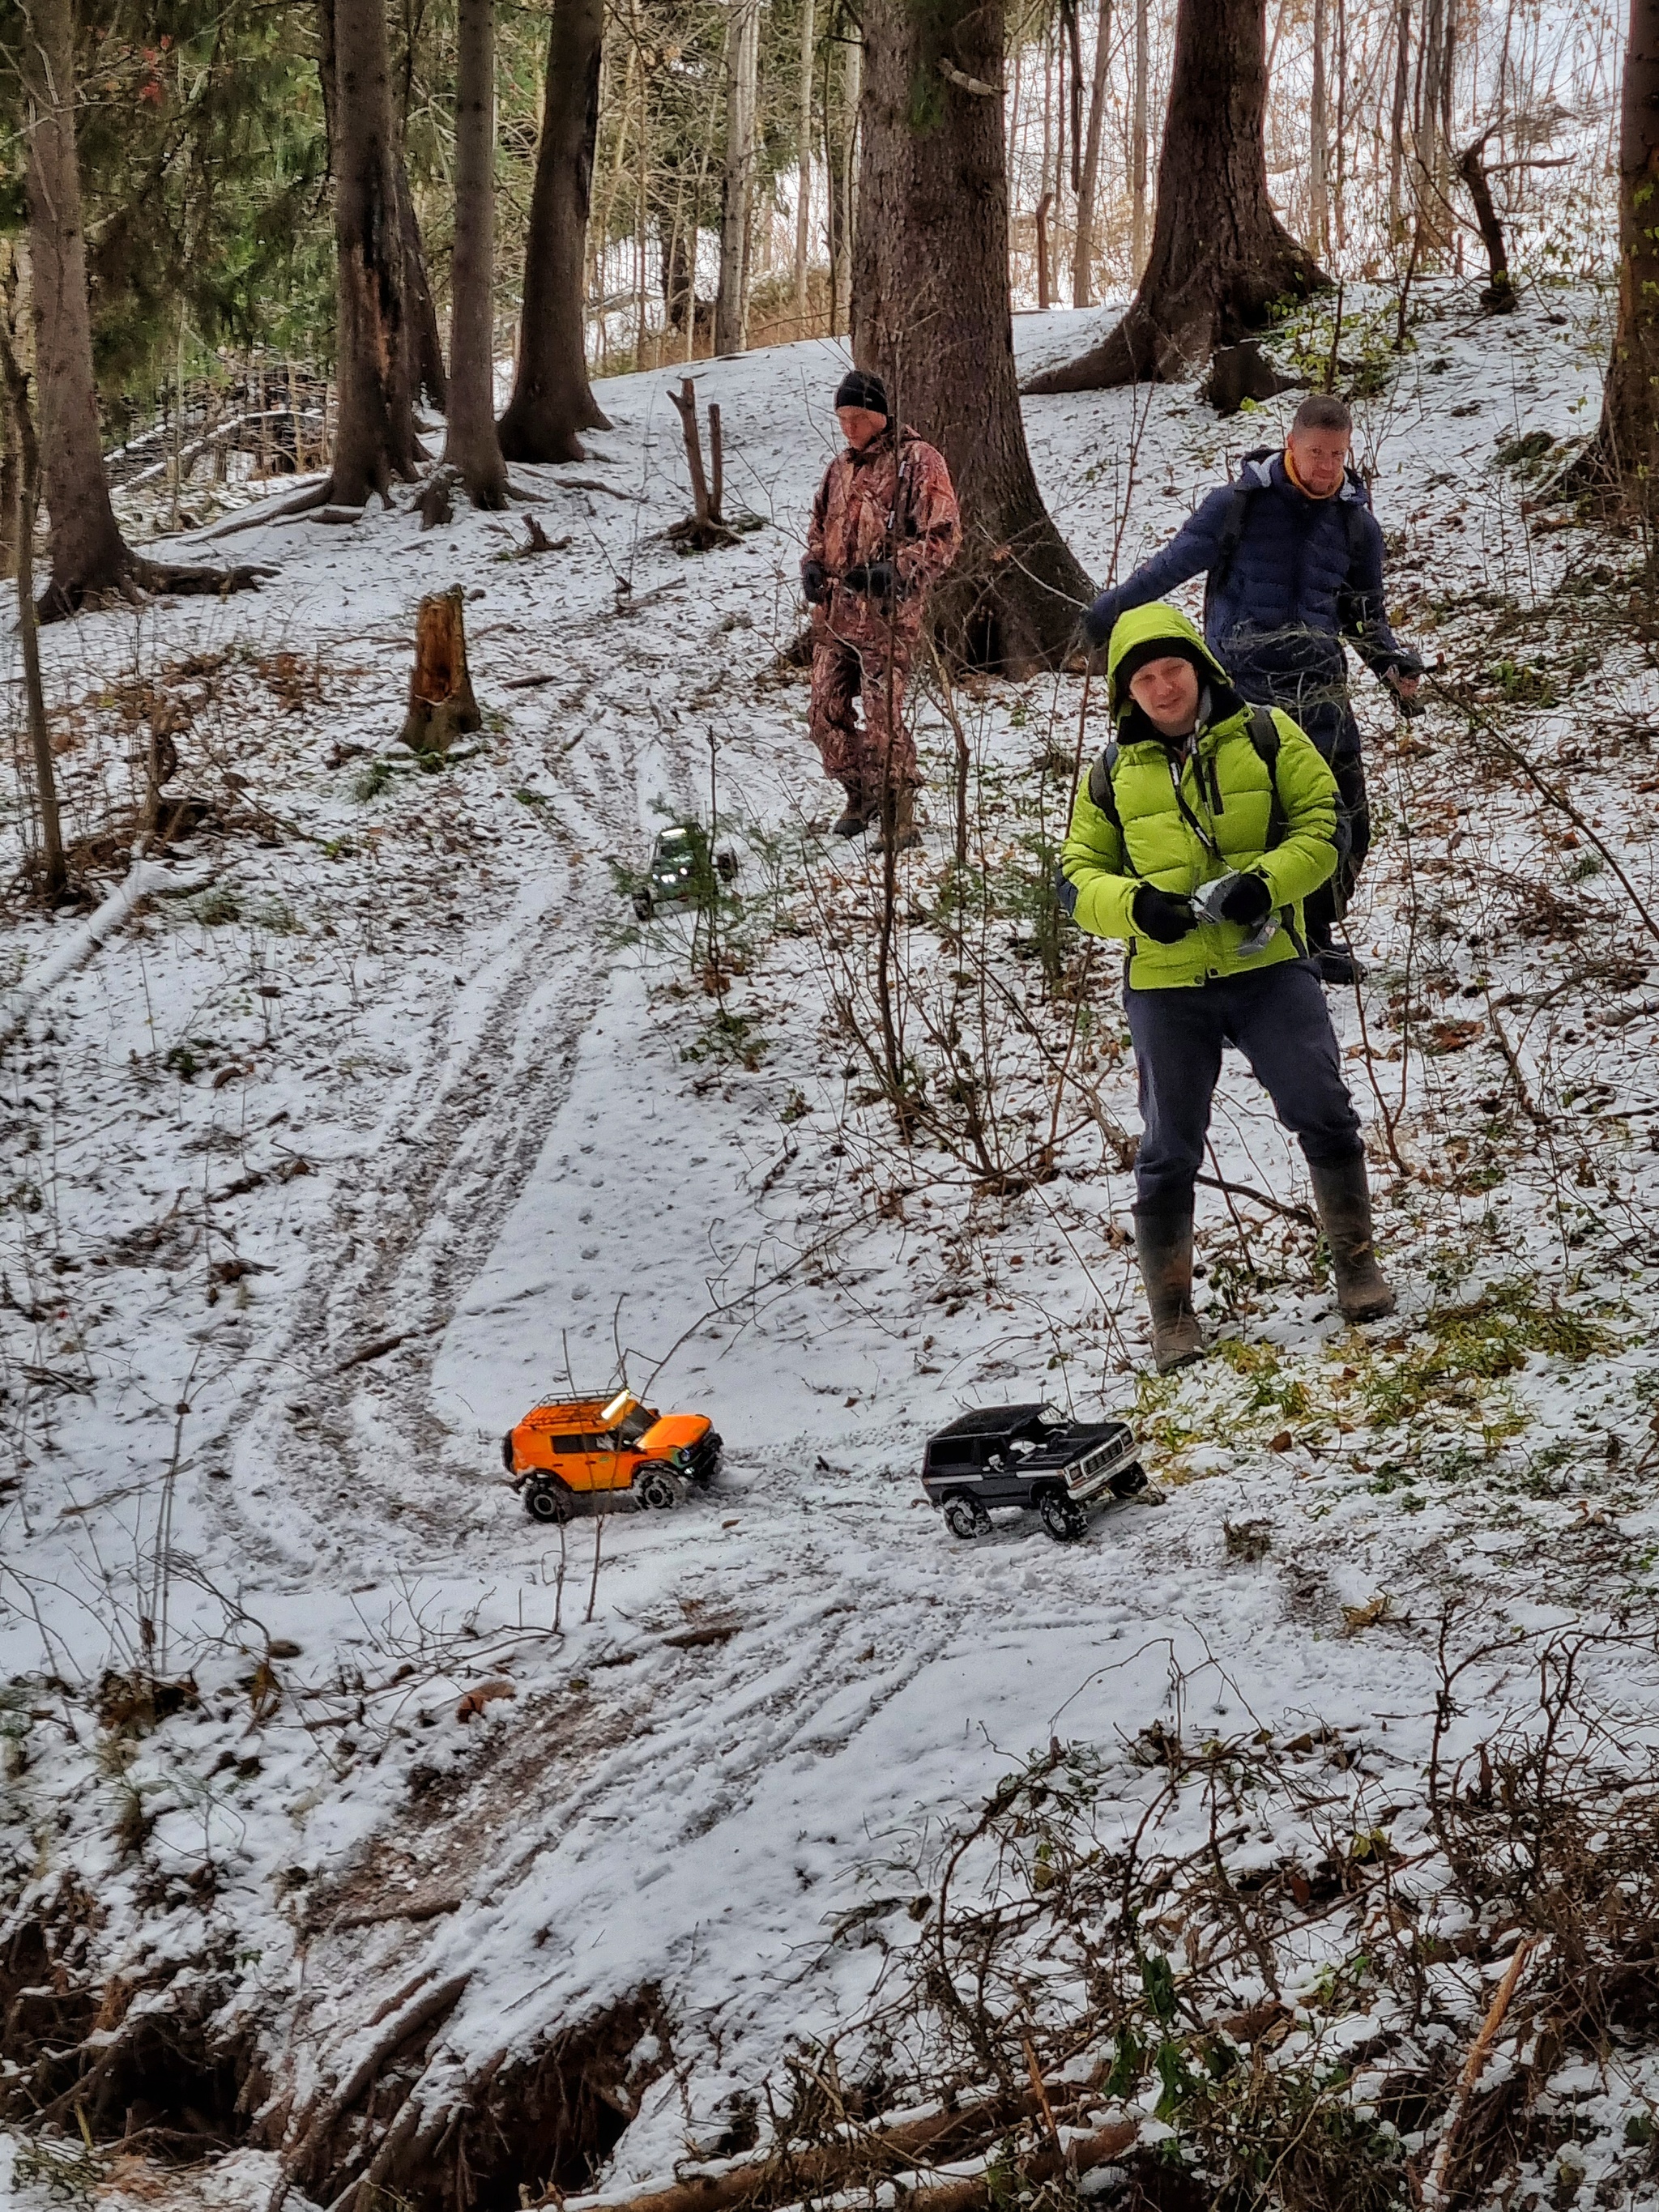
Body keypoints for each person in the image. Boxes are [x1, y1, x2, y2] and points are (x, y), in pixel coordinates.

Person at [1060, 601, 1395, 1373]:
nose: (1162, 686)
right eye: (1143, 678)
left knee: (1322, 1109)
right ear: (1127, 693)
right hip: (1166, 985)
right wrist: (1137, 908)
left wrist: (1267, 885)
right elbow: (1076, 880)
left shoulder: (1269, 736)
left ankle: (1357, 1266)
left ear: (1199, 667)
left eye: (1172, 667)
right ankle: (1171, 1316)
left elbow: (1326, 823)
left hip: (1269, 965)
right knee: (1167, 1146)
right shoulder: (1110, 774)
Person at [1081, 394, 1421, 986]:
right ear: (1291, 445)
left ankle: (1313, 934)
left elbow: (1366, 616)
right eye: (1316, 452)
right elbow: (1170, 566)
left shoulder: (1356, 525)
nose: (1325, 466)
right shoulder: (1237, 506)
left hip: (1320, 691)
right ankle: (1257, 934)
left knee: (1347, 820)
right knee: (1258, 820)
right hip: (1243, 692)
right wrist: (1107, 614)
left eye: (1337, 455)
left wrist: (1393, 668)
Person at [801, 369, 961, 853]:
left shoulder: (919, 461)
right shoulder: (839, 469)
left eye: (856, 418)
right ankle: (861, 794)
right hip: (835, 620)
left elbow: (944, 535)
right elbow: (816, 528)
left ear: (879, 415)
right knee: (823, 713)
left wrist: (897, 571)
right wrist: (811, 565)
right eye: (842, 419)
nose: (848, 428)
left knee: (882, 717)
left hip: (886, 620)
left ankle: (900, 812)